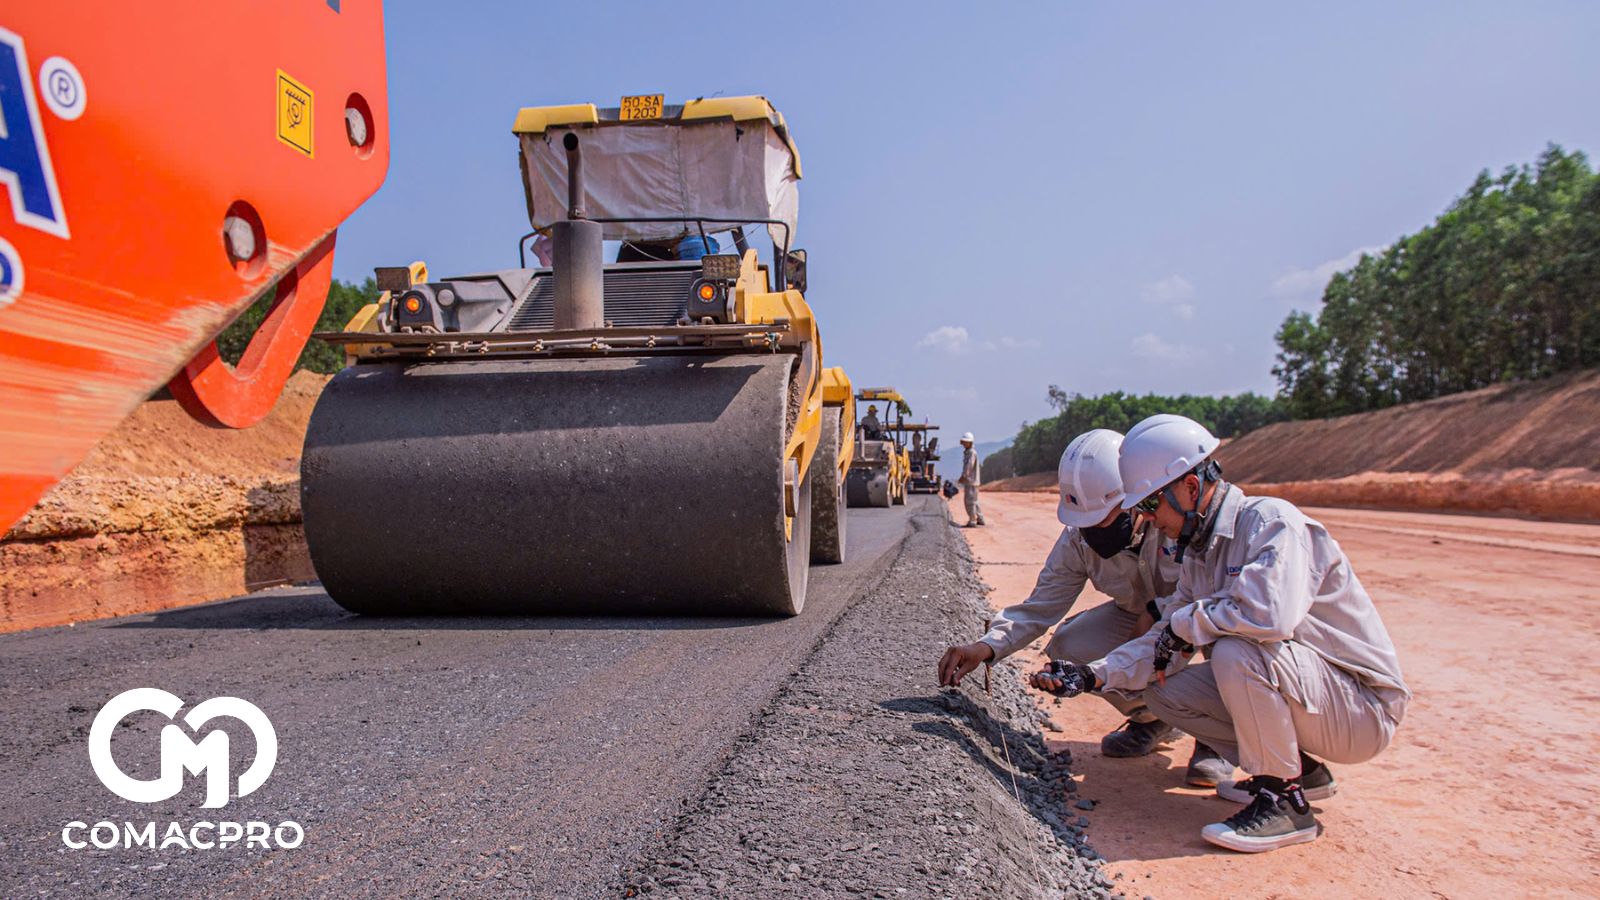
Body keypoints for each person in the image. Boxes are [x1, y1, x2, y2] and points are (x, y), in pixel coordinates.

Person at [1032, 414, 1408, 853]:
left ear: (1189, 488)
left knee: (1235, 649)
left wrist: (1181, 624)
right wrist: (1093, 675)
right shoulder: (1201, 555)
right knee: (1162, 693)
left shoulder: (1271, 523)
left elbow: (1269, 616)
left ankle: (1284, 802)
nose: (1149, 521)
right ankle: (1301, 771)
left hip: (1360, 708)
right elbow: (1165, 640)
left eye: (1152, 506)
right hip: (1312, 697)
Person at [938, 430, 1232, 784]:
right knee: (1070, 646)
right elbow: (1039, 607)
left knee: (1224, 636)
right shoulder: (1078, 540)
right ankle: (1152, 720)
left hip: (1195, 616)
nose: (1094, 532)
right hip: (1135, 619)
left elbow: (1216, 591)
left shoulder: (1177, 521)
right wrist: (986, 647)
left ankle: (1217, 740)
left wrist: (1157, 616)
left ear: (1136, 501)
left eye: (1104, 519)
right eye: (1086, 523)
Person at [957, 432, 985, 526]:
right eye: (964, 442)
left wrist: (963, 476)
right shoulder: (968, 452)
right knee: (974, 501)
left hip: (971, 481)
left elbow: (969, 467)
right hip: (972, 481)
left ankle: (972, 520)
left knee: (969, 502)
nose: (964, 444)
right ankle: (980, 519)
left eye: (966, 442)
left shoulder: (971, 453)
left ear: (970, 442)